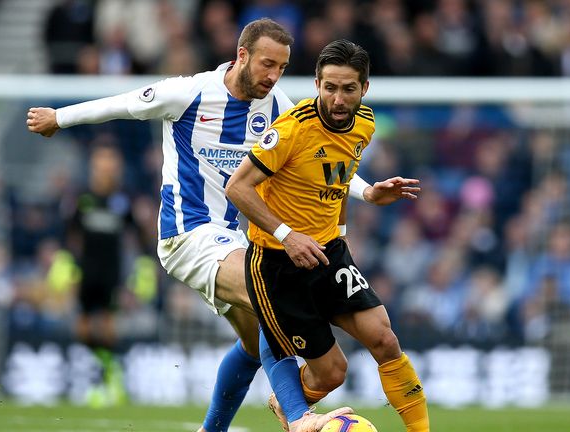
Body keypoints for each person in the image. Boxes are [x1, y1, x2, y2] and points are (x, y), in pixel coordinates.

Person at [28, 18, 419, 432]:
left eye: (282, 68)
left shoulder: (277, 106)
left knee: (253, 343)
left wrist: (368, 192)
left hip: (238, 239)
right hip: (188, 232)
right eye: (267, 64)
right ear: (242, 55)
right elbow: (122, 103)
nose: (273, 76)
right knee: (265, 291)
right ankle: (299, 416)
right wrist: (59, 117)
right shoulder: (189, 92)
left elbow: (321, 163)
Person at [225, 39, 429, 432]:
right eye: (329, 87)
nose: (337, 98)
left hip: (329, 253)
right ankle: (290, 405)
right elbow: (238, 188)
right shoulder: (291, 130)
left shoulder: (365, 124)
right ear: (317, 83)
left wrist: (358, 209)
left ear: (364, 89)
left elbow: (337, 179)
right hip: (278, 265)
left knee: (385, 340)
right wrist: (287, 235)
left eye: (348, 89)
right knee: (333, 373)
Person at [60, 140, 151, 405]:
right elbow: (69, 235)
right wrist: (68, 273)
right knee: (85, 329)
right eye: (102, 162)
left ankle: (111, 380)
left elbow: (138, 237)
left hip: (113, 276)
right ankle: (98, 375)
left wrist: (140, 275)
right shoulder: (81, 197)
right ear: (94, 166)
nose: (107, 168)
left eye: (112, 162)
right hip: (85, 274)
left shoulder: (124, 199)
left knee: (109, 329)